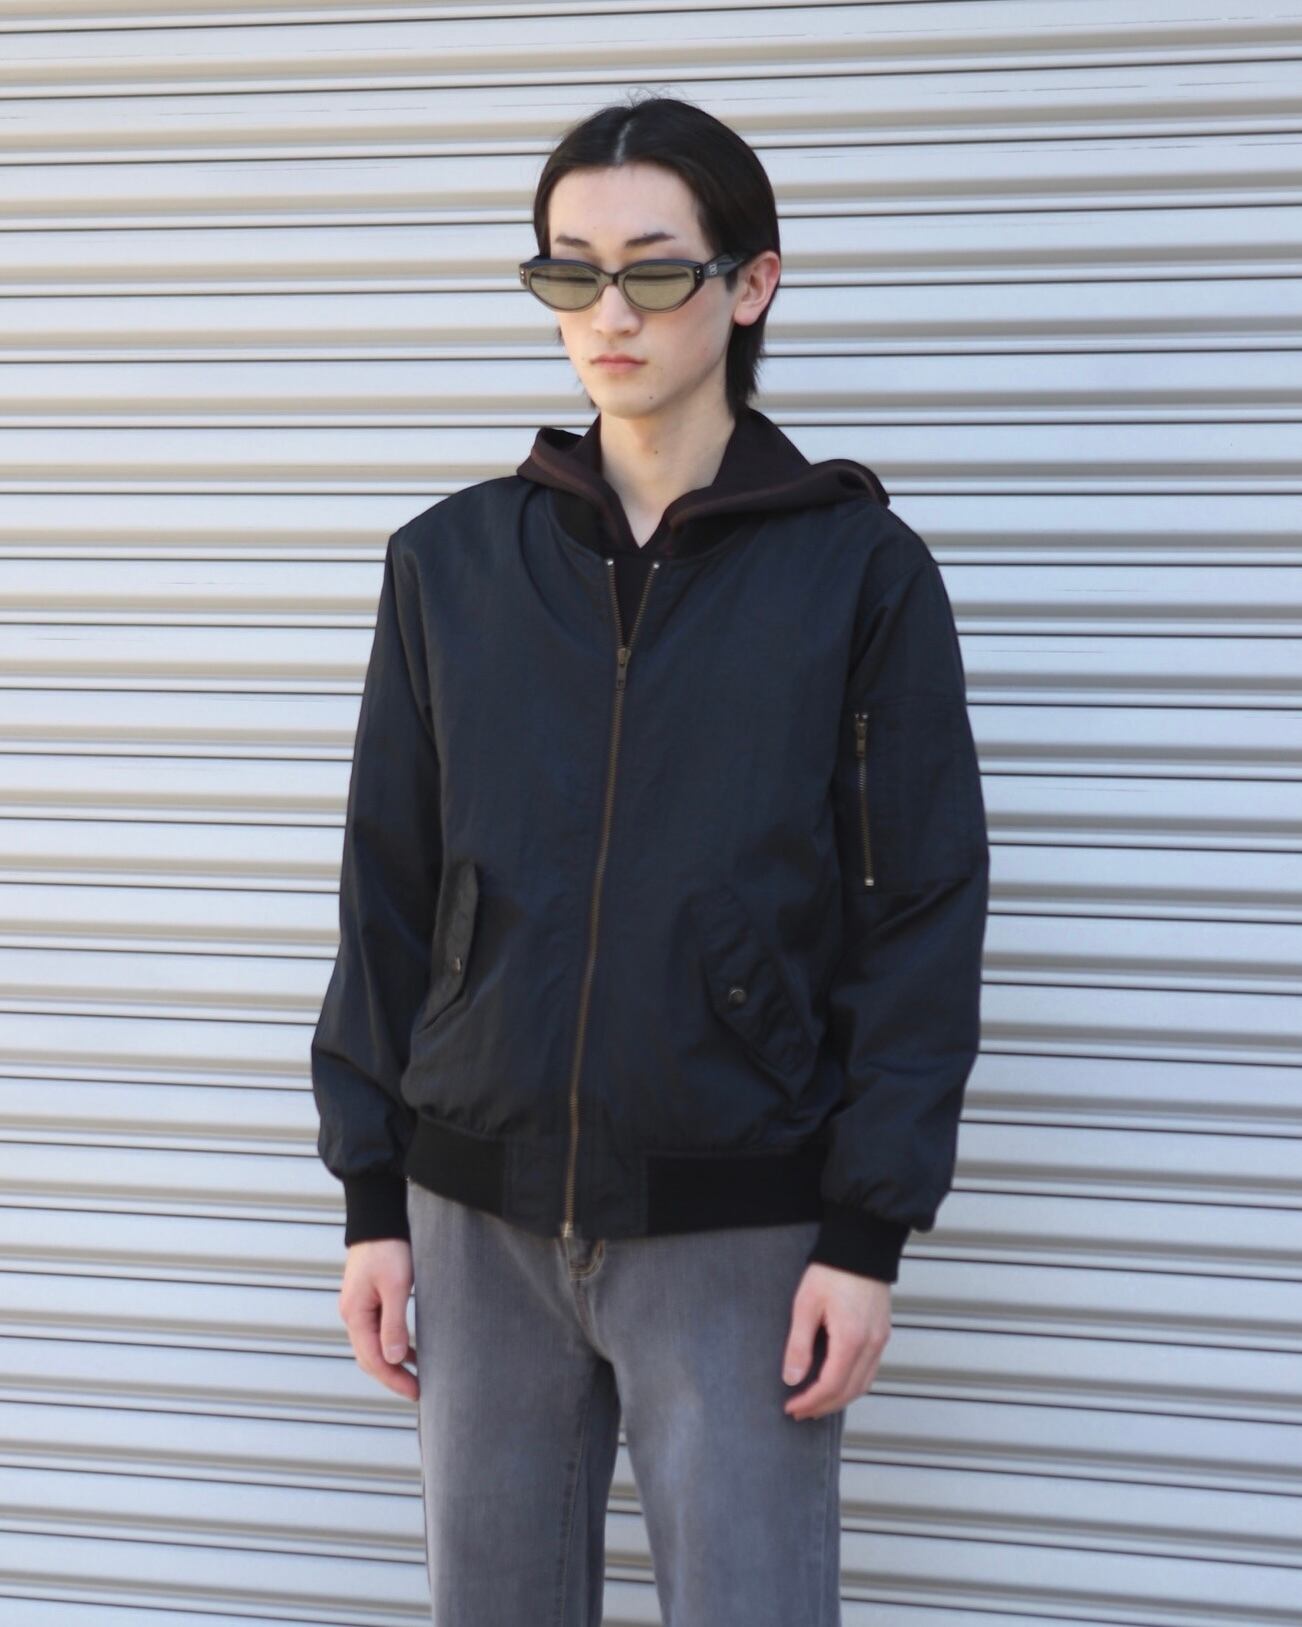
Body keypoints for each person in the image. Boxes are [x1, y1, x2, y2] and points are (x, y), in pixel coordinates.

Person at [311, 93, 989, 1627]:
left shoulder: (858, 575)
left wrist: (864, 1232)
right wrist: (371, 1198)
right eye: (570, 271)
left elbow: (921, 906)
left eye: (654, 269)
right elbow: (388, 886)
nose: (606, 314)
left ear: (751, 284)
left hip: (736, 1224)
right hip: (474, 1220)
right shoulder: (451, 565)